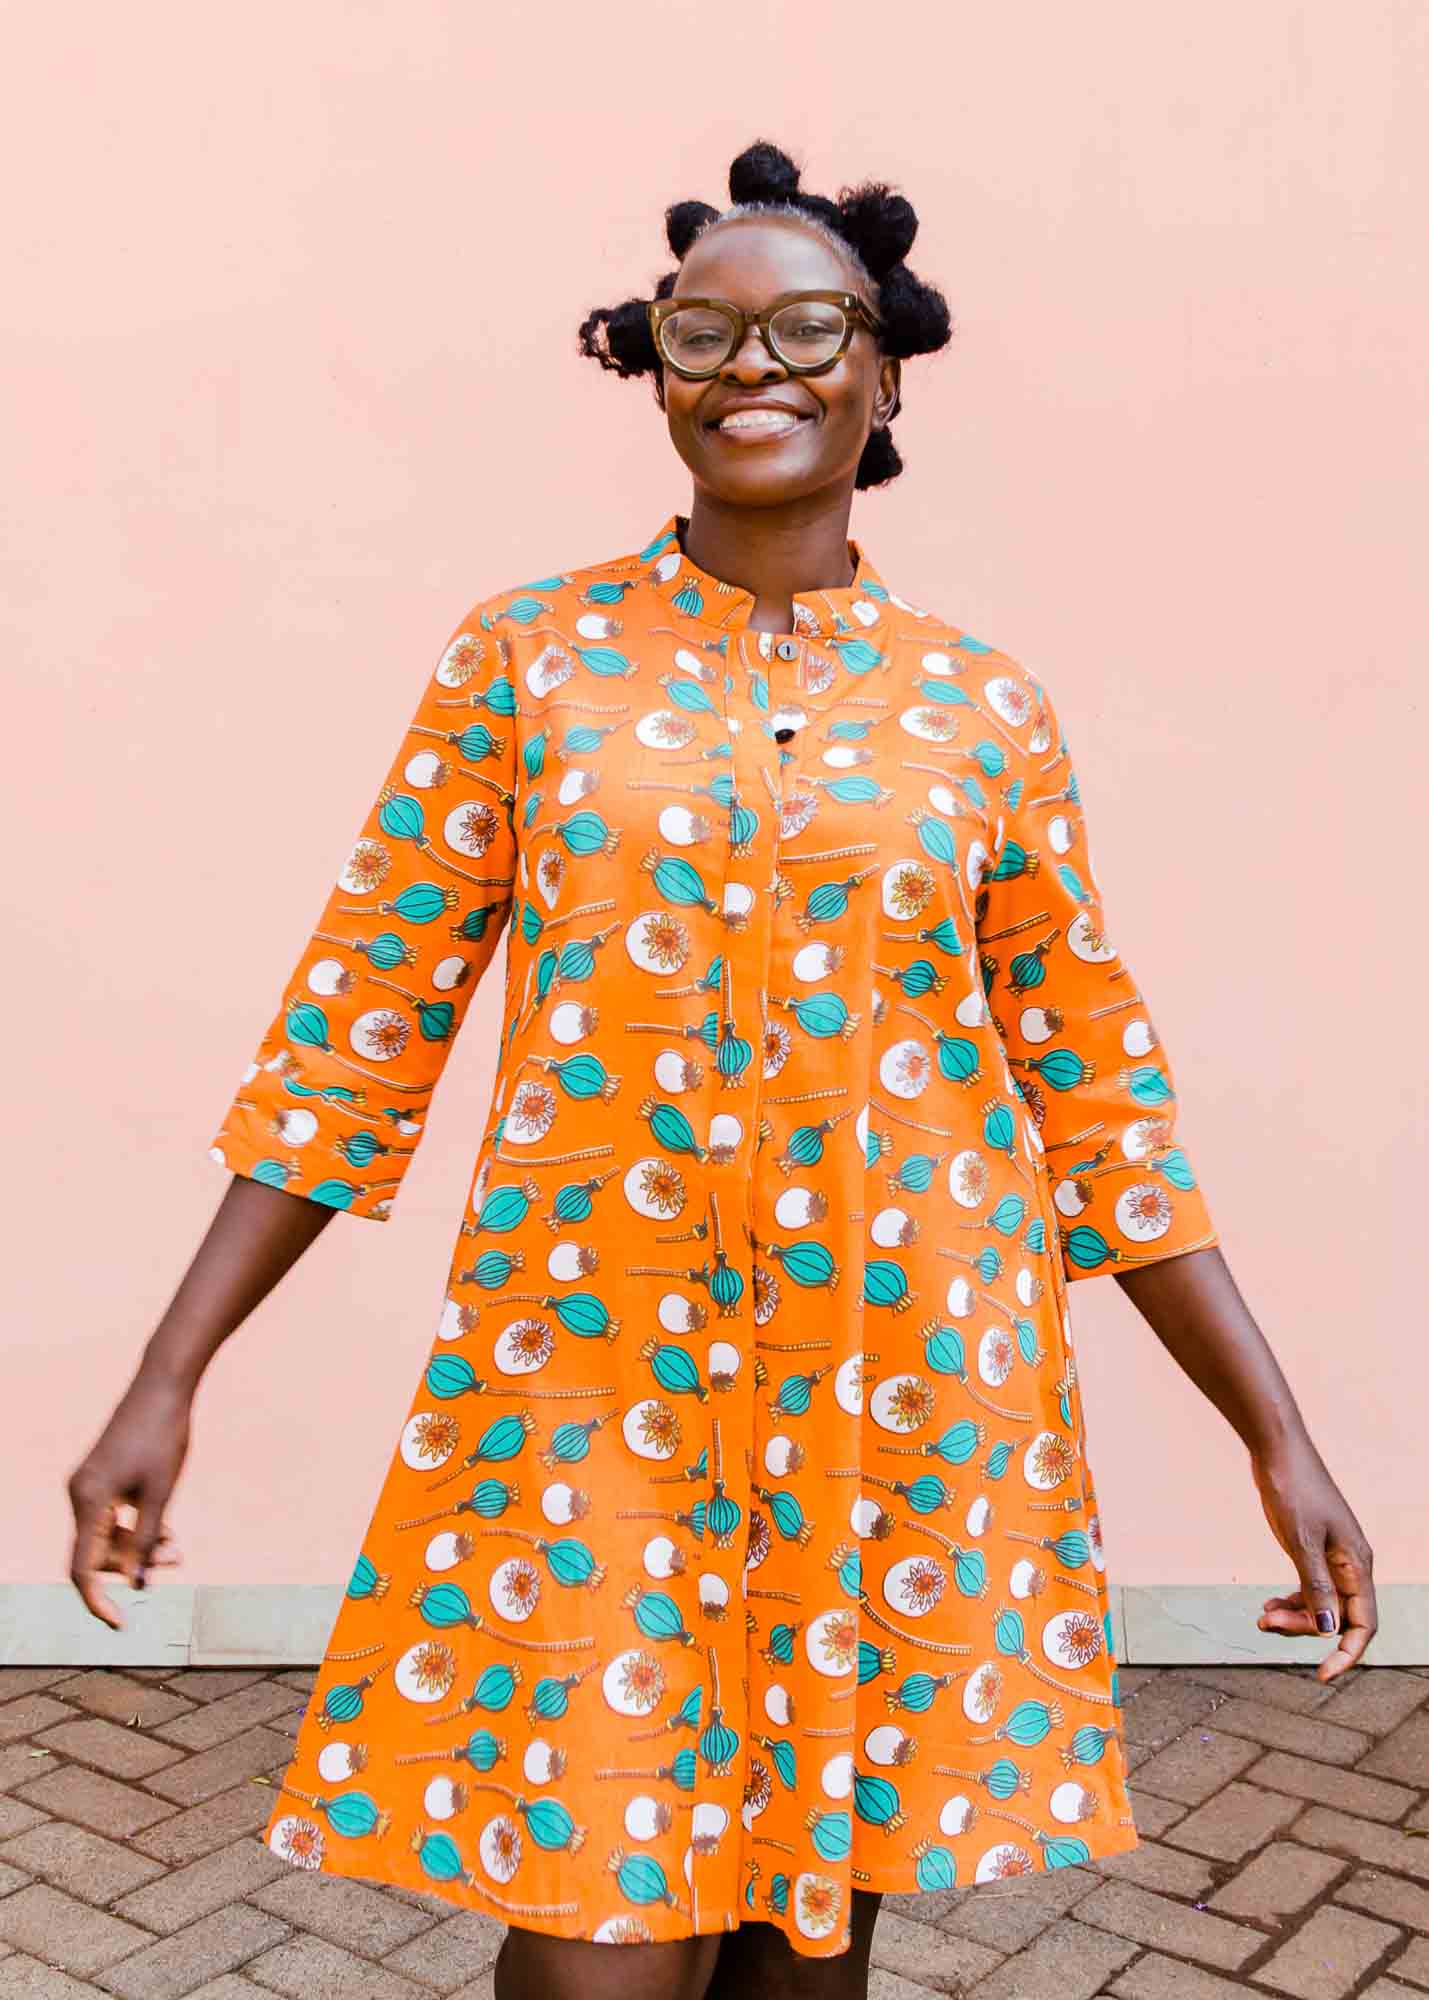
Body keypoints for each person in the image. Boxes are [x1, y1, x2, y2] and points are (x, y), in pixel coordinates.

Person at [67, 138, 1376, 2000]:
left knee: (802, 1954)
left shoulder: (979, 708)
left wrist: (1275, 1432)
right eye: (703, 329)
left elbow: (1094, 1090)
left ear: (887, 370)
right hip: (593, 1382)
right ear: (653, 367)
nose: (752, 363)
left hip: (897, 1401)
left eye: (805, 325)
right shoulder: (526, 662)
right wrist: (165, 1377)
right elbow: (359, 1033)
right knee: (603, 1944)